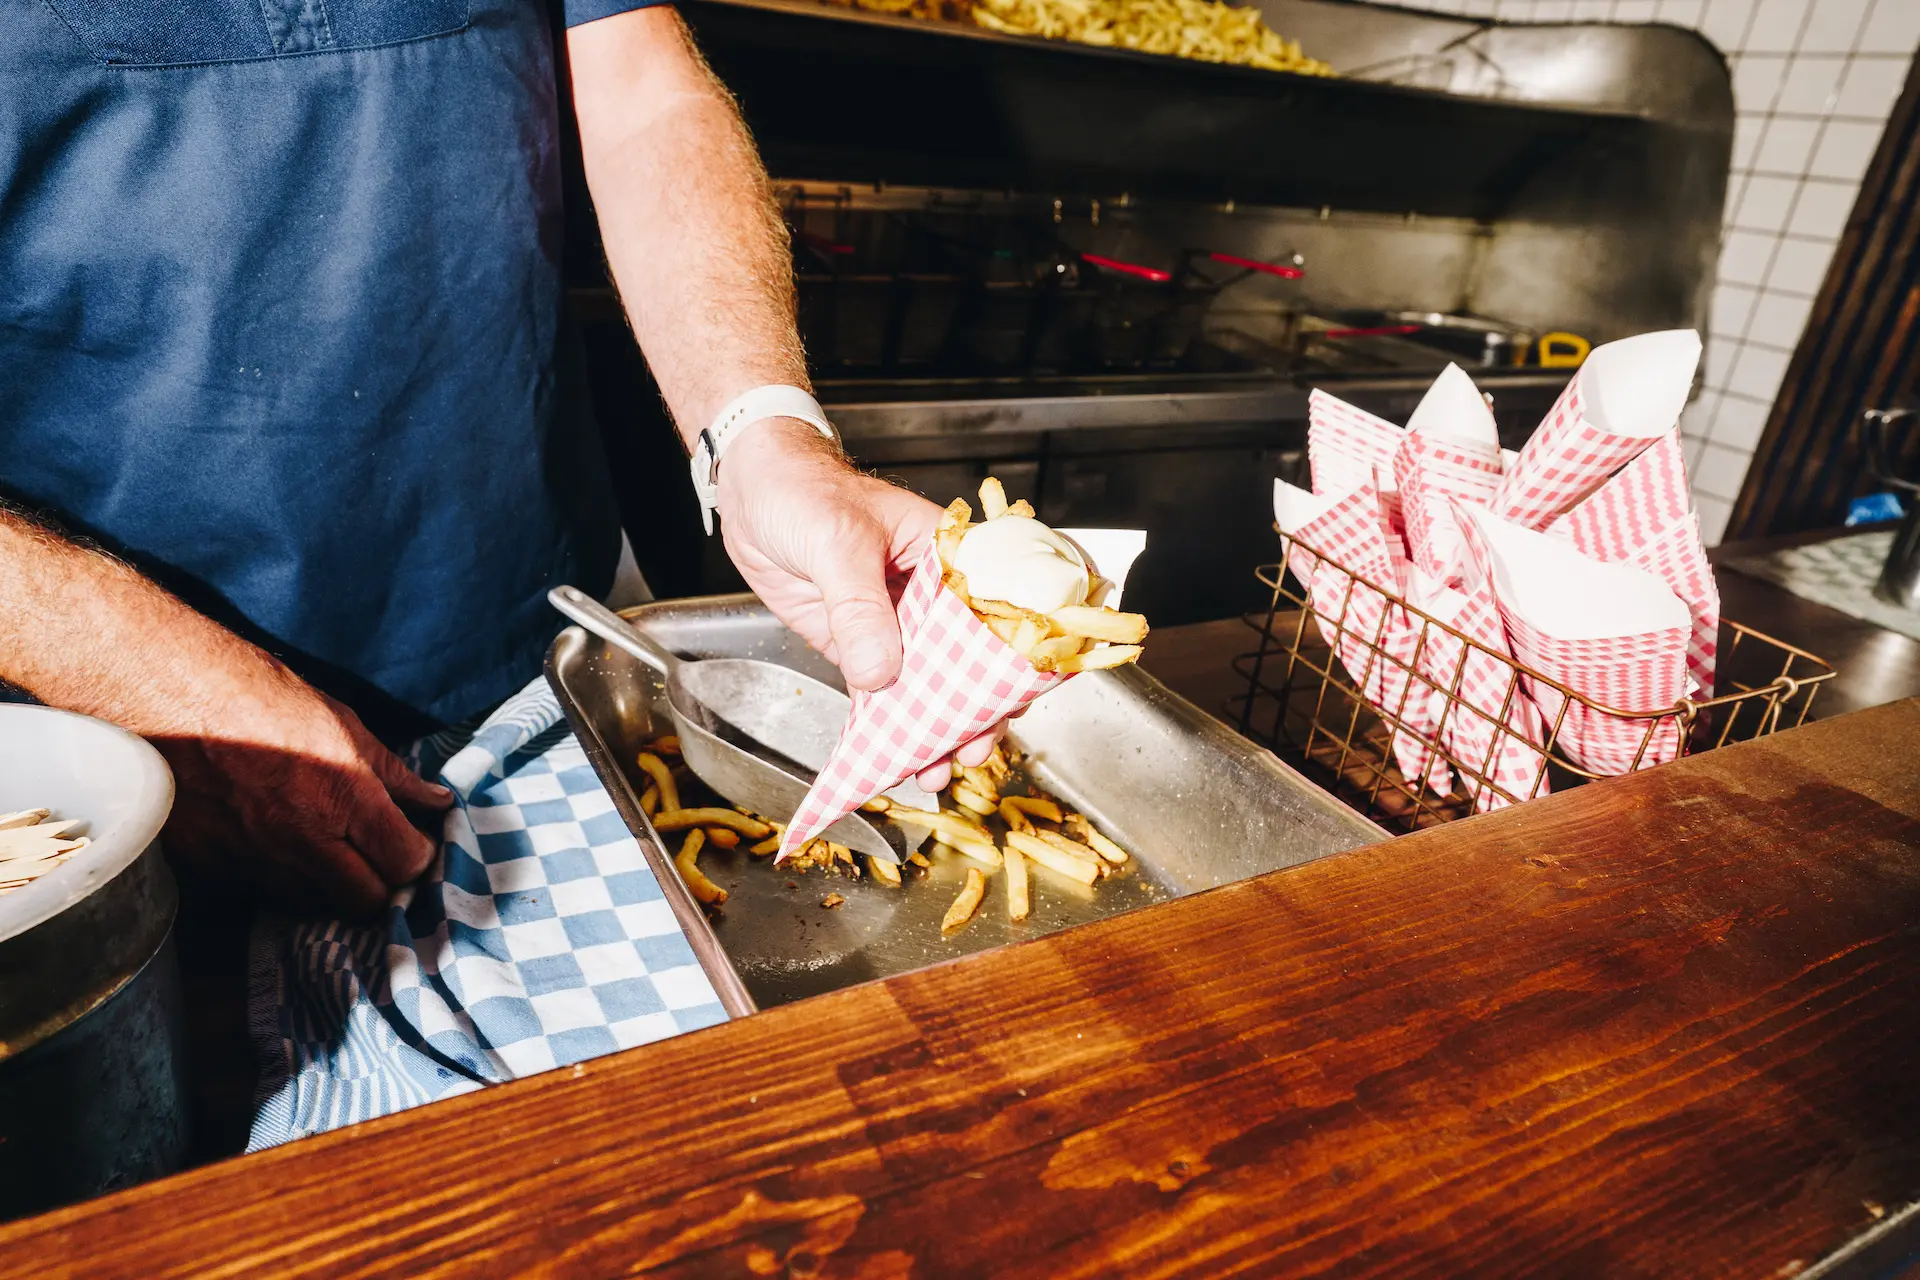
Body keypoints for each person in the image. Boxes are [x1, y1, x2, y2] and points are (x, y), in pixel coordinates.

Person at [0, 1, 991, 915]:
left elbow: (639, 86)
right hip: (126, 760)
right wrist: (135, 680)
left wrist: (761, 429)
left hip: (560, 654)